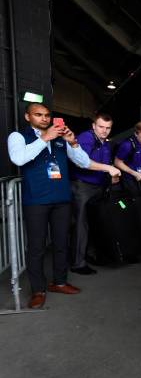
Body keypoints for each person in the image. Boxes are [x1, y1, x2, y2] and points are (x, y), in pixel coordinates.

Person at [7, 103, 91, 309]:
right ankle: (38, 290)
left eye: (47, 115)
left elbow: (83, 162)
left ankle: (59, 282)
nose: (44, 118)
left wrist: (73, 143)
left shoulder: (61, 137)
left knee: (61, 243)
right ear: (28, 117)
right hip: (36, 200)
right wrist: (45, 138)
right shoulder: (18, 137)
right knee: (36, 247)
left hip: (61, 199)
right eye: (38, 115)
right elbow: (18, 158)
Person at [69, 112, 121, 274]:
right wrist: (109, 168)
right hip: (82, 186)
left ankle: (91, 254)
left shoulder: (105, 142)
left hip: (98, 186)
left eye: (108, 128)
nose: (104, 131)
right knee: (81, 225)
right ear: (93, 126)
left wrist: (110, 176)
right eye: (101, 127)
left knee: (95, 222)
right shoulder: (86, 138)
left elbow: (103, 163)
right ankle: (78, 263)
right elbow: (83, 163)